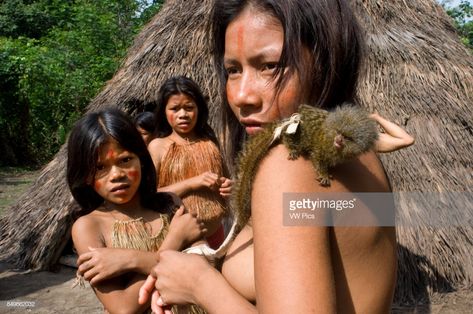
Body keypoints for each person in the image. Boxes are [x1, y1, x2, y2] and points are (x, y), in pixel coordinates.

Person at [140, 0, 398, 313]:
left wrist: (199, 284)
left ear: (325, 58)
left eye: (270, 66)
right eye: (233, 70)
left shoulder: (289, 164)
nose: (241, 96)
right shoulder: (355, 153)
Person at [67, 109, 206, 313]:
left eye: (125, 160)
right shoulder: (89, 227)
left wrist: (129, 259)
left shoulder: (170, 204)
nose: (116, 175)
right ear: (85, 175)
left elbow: (204, 268)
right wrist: (175, 239)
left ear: (141, 158)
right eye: (99, 167)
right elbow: (123, 308)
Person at [147, 76, 232, 249]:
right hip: (179, 241)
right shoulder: (158, 147)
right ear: (164, 111)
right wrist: (194, 183)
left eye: (189, 107)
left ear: (199, 109)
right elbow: (149, 196)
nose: (183, 114)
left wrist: (229, 186)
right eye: (175, 108)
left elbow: (226, 180)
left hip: (217, 234)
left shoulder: (210, 143)